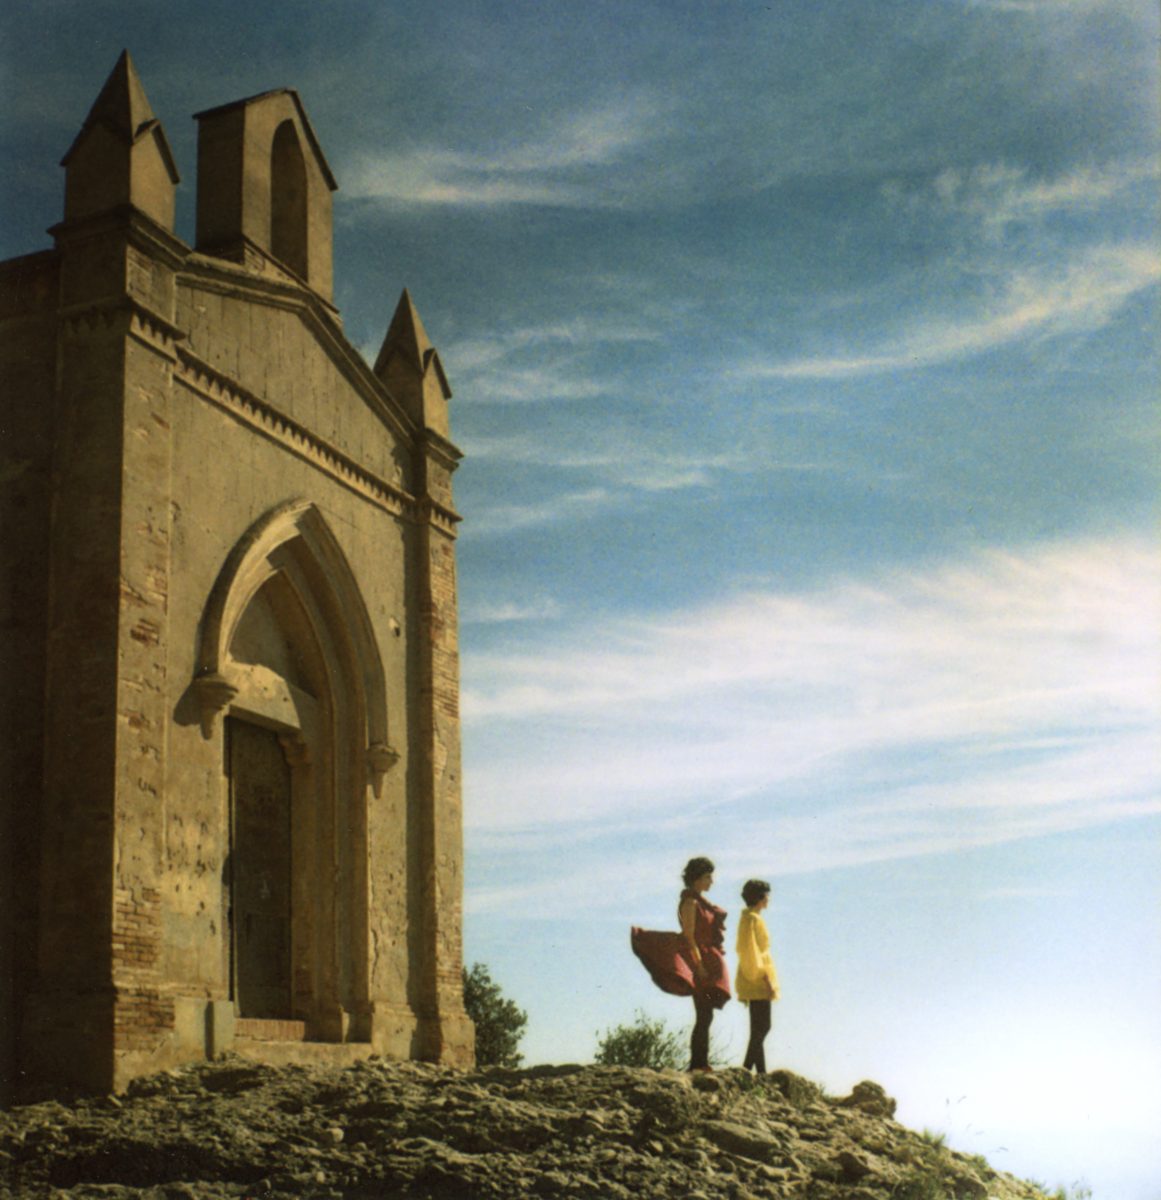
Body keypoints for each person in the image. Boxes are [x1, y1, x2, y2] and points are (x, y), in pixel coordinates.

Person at [630, 856, 731, 1071]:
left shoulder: (701, 902)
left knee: (706, 1014)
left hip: (706, 960)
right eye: (707, 877)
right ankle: (698, 1064)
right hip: (698, 961)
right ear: (696, 879)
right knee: (703, 1013)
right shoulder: (690, 903)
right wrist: (699, 965)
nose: (711, 881)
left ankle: (701, 1062)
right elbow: (689, 936)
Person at [735, 878, 779, 1073]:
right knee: (763, 1026)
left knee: (757, 1028)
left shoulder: (747, 917)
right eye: (766, 895)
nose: (769, 899)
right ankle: (746, 1069)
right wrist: (767, 979)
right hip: (758, 976)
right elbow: (754, 952)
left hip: (751, 974)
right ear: (760, 897)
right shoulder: (754, 919)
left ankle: (761, 1072)